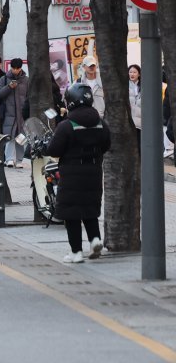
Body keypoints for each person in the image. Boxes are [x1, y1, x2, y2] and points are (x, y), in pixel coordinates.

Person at [45, 83, 110, 264]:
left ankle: (76, 252)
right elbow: (107, 144)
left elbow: (54, 149)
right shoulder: (100, 124)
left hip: (72, 173)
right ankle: (95, 240)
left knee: (71, 212)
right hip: (94, 171)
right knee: (89, 208)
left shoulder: (67, 125)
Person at [0, 57, 29, 165]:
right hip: (8, 113)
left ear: (21, 68)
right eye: (14, 68)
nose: (15, 70)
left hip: (22, 114)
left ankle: (19, 160)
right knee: (9, 136)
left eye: (18, 68)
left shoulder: (26, 80)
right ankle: (9, 159)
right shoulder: (4, 79)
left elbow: (29, 96)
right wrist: (9, 87)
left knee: (21, 137)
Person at [128, 63, 142, 147]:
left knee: (139, 146)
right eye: (130, 72)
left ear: (139, 74)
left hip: (140, 123)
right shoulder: (125, 86)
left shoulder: (144, 86)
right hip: (129, 122)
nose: (132, 74)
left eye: (134, 72)